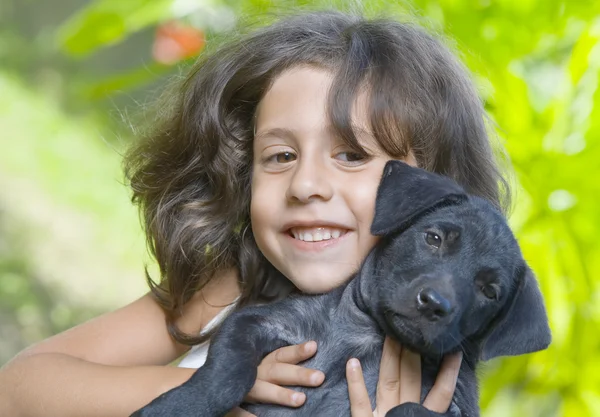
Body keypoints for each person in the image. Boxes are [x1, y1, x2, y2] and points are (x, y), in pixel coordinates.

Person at [0, 9, 511, 417]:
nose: (306, 184)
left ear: (438, 194)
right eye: (281, 156)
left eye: (352, 155)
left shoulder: (437, 368)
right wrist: (208, 390)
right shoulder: (236, 285)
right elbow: (19, 390)